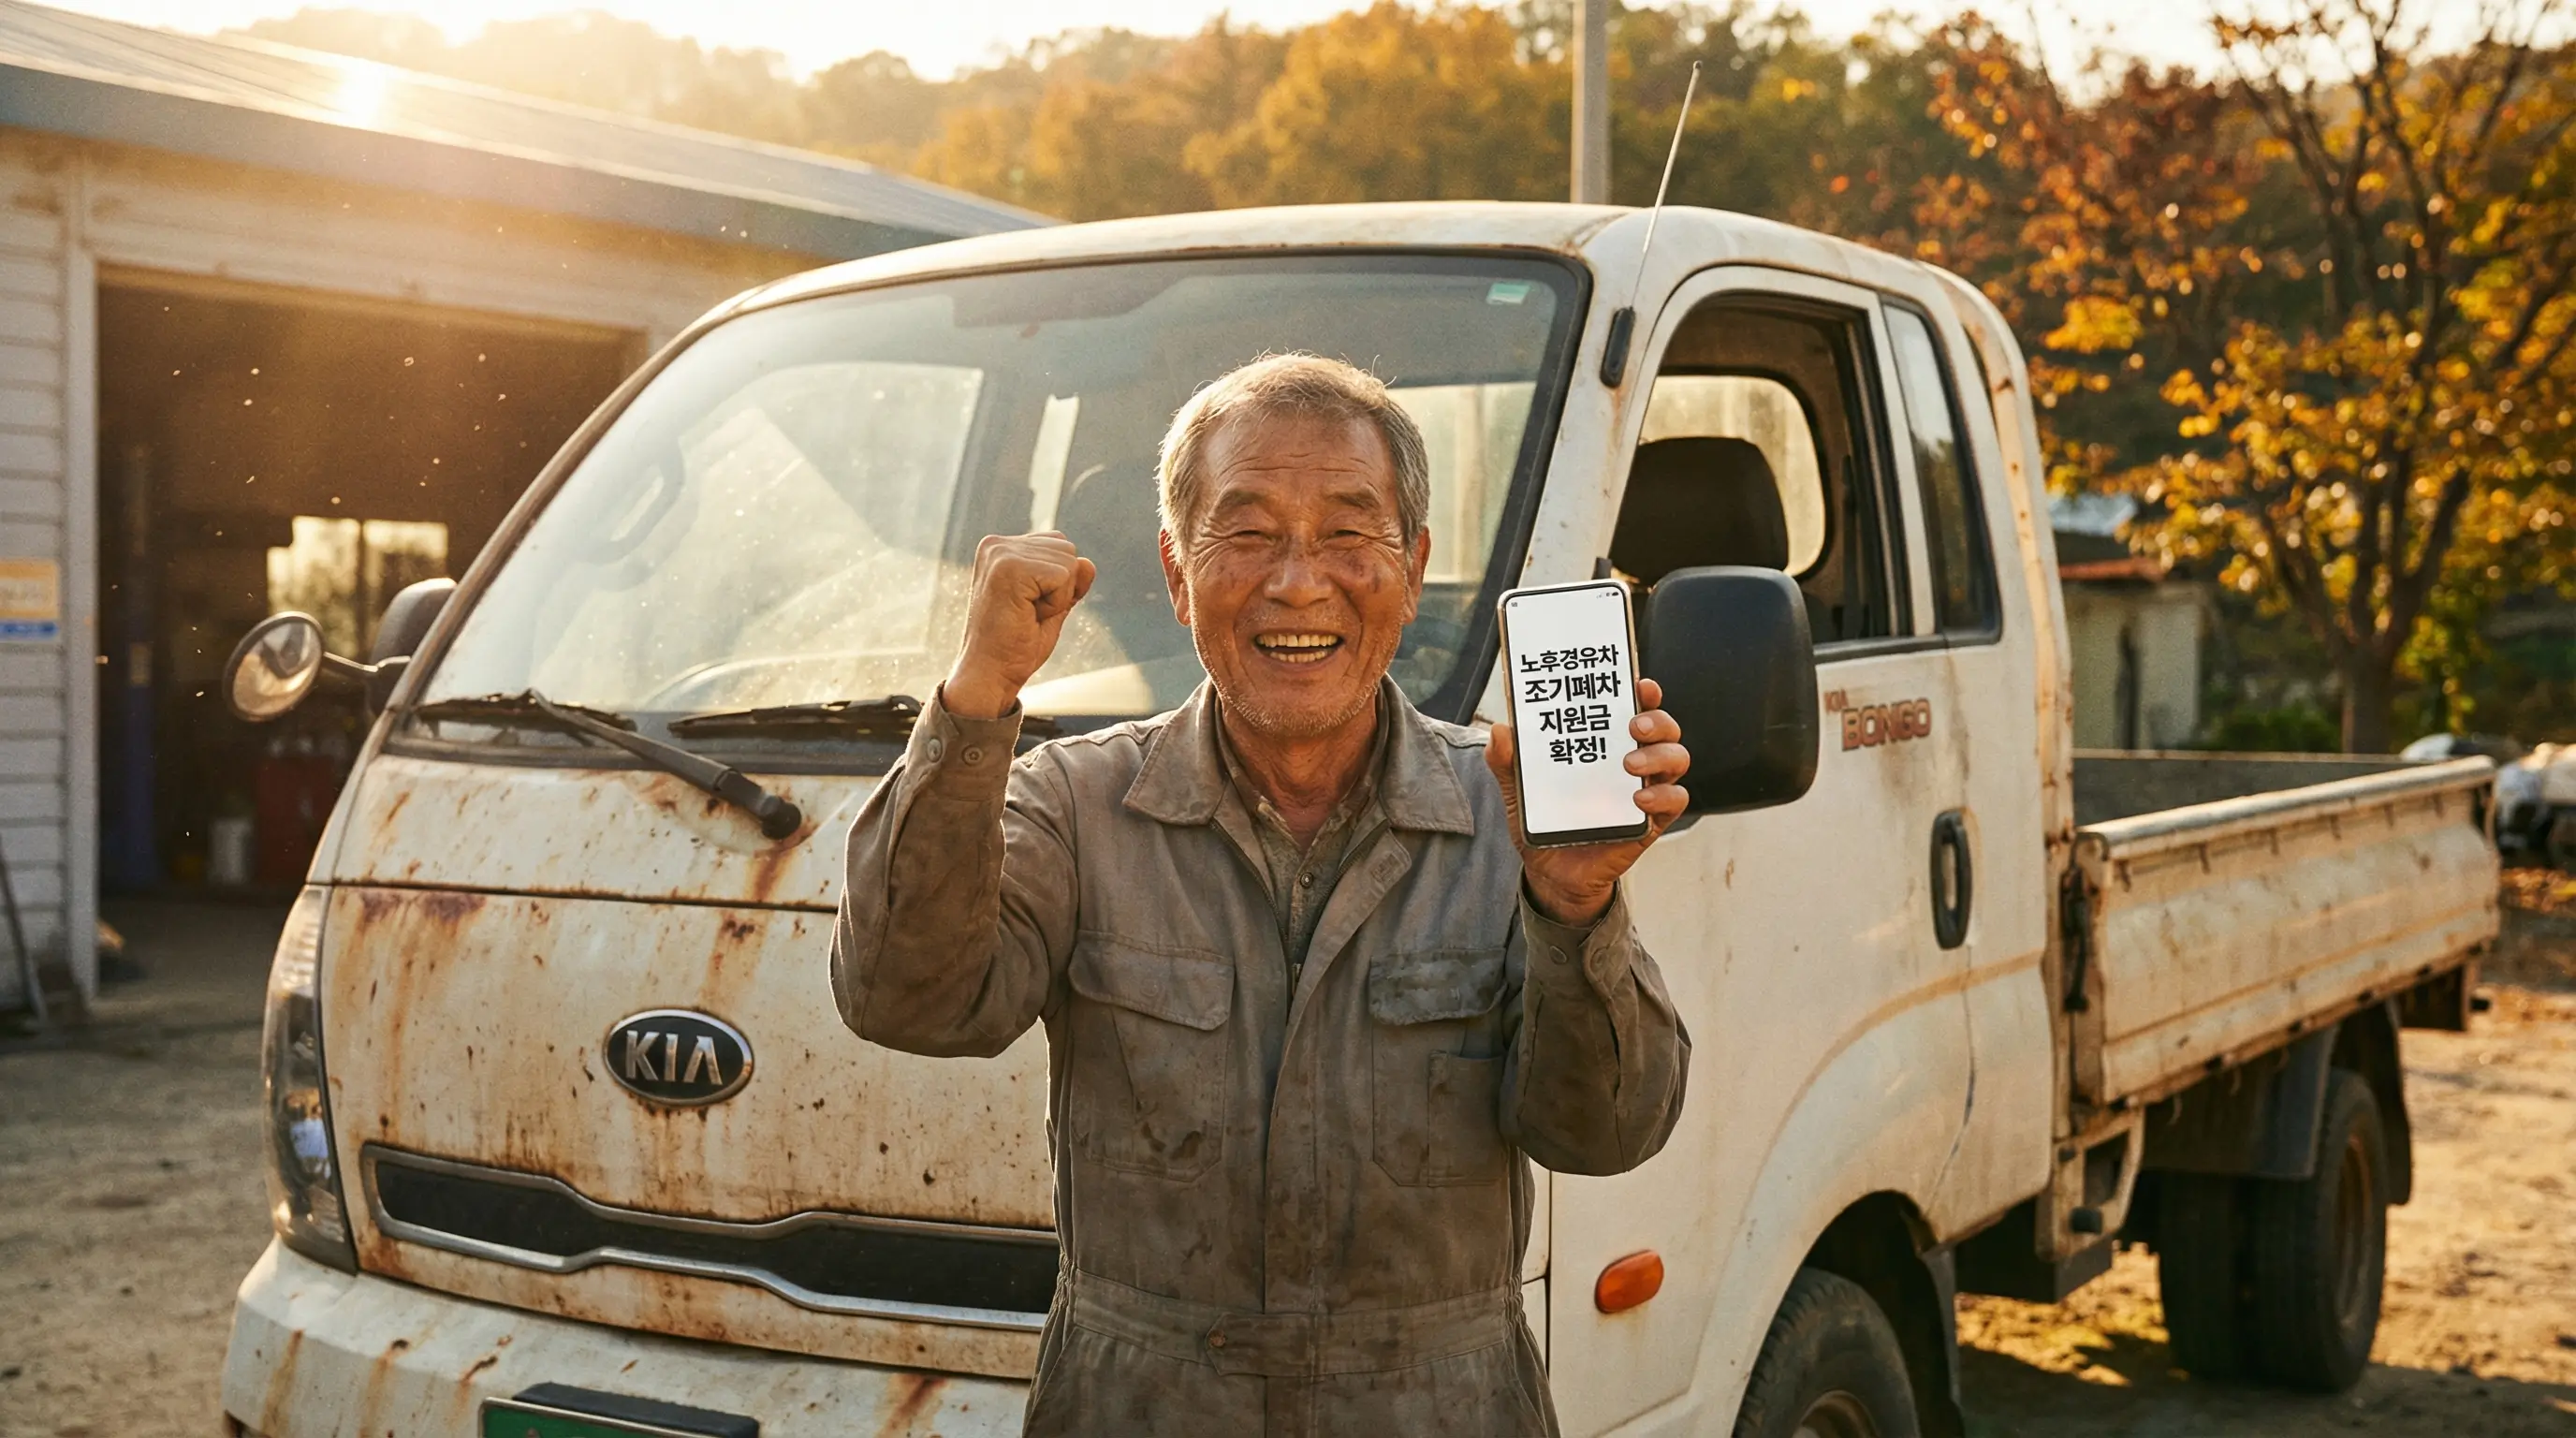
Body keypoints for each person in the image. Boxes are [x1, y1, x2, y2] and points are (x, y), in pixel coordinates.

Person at [832, 353, 1691, 1435]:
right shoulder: (1077, 803)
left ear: (1413, 568)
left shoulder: (1510, 814)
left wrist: (1573, 907)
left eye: (1347, 533)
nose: (1297, 582)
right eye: (1244, 534)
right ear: (1177, 572)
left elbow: (1604, 1135)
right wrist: (978, 691)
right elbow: (907, 1002)